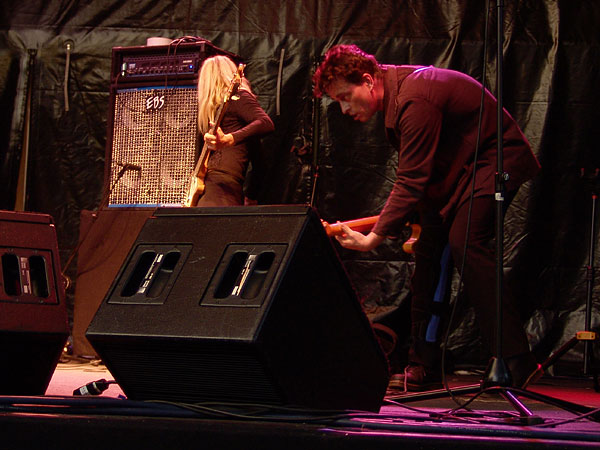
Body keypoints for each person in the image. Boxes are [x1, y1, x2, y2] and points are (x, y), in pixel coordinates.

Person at [312, 44, 542, 391]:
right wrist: (391, 223)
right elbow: (421, 176)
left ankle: (514, 358)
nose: (344, 109)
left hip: (494, 162)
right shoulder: (400, 96)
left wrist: (373, 238)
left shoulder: (414, 98)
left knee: (466, 243)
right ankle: (424, 361)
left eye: (345, 97)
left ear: (368, 81)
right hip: (453, 175)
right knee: (428, 252)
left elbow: (411, 179)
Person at [195, 55, 274, 206]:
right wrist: (252, 195)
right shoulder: (208, 112)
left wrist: (230, 138)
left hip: (222, 188)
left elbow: (266, 123)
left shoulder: (238, 97)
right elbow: (259, 161)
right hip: (211, 186)